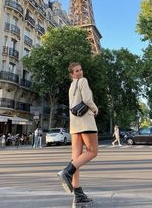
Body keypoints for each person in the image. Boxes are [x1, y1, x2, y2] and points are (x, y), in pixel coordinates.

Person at [57, 62, 98, 207]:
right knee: (92, 151)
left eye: (80, 70)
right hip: (86, 121)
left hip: (74, 124)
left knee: (76, 158)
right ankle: (67, 172)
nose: (79, 73)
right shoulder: (83, 81)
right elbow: (87, 100)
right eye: (76, 71)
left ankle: (78, 195)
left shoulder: (71, 86)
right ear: (71, 74)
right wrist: (95, 109)